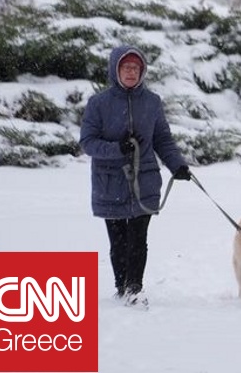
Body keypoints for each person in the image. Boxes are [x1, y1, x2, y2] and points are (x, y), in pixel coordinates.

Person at [80, 45, 192, 308]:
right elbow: (88, 142)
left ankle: (134, 287)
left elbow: (162, 138)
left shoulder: (152, 102)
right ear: (115, 70)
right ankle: (121, 285)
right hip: (111, 182)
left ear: (142, 72)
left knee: (138, 238)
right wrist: (116, 149)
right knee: (118, 240)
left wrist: (177, 165)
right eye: (125, 67)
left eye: (135, 68)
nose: (131, 72)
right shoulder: (99, 104)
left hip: (145, 180)